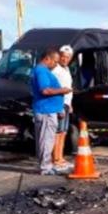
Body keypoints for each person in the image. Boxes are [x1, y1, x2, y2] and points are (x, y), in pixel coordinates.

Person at [30, 47, 71, 176]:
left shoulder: (42, 70)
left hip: (49, 109)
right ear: (47, 58)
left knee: (47, 139)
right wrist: (63, 90)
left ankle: (46, 165)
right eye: (55, 61)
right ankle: (45, 167)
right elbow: (45, 90)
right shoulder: (42, 71)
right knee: (46, 140)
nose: (56, 64)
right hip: (45, 111)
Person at [51, 45, 74, 169]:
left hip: (66, 103)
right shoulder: (55, 70)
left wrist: (69, 104)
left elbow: (68, 87)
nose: (65, 59)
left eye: (68, 57)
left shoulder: (67, 69)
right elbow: (55, 89)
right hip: (59, 103)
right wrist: (59, 106)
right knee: (58, 132)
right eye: (63, 57)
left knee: (64, 132)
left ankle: (60, 157)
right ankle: (55, 159)